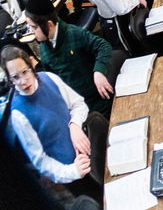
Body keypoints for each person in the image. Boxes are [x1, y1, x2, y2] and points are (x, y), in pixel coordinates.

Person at [2, 46, 95, 191]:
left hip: (89, 149)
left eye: (25, 72)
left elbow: (78, 104)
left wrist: (74, 125)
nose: (23, 81)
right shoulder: (19, 115)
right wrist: (72, 171)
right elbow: (41, 161)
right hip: (71, 173)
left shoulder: (49, 78)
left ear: (31, 64)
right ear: (9, 79)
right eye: (15, 77)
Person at [24, 0, 114, 116]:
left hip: (97, 101)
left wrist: (99, 71)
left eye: (34, 27)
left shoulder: (74, 33)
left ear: (49, 25)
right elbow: (53, 79)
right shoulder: (44, 48)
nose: (31, 32)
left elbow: (103, 46)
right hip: (75, 106)